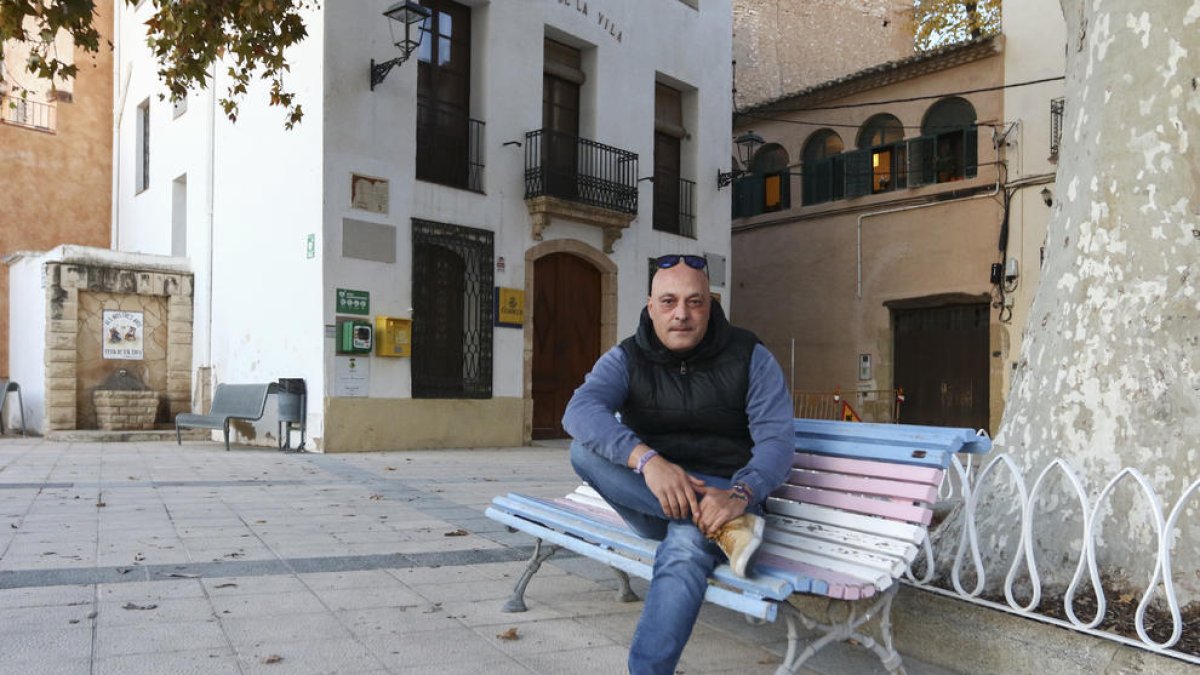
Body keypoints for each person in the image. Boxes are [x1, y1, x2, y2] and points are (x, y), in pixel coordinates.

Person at [563, 253, 794, 675]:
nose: (682, 315)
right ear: (651, 307)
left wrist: (742, 494)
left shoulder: (750, 355)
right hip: (653, 500)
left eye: (695, 302)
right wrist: (649, 461)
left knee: (686, 544)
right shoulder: (627, 357)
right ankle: (726, 532)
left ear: (712, 304)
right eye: (668, 302)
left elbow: (776, 442)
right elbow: (579, 411)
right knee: (581, 450)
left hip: (731, 498)